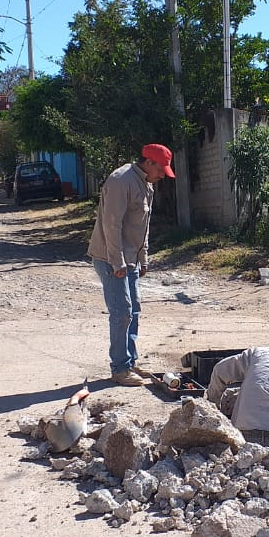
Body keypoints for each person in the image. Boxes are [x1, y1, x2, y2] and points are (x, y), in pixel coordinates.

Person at [88, 144, 174, 386]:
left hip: (131, 259)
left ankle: (130, 361)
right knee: (122, 312)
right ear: (149, 162)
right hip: (111, 258)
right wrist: (118, 262)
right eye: (161, 169)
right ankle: (120, 369)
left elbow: (141, 227)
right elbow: (111, 225)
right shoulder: (121, 181)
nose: (162, 175)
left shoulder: (146, 184)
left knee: (134, 310)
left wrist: (143, 258)